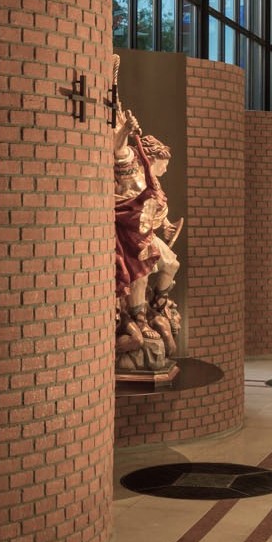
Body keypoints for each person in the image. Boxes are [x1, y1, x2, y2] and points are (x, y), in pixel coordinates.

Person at [113, 94, 183, 373]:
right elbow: (118, 148)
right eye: (165, 162)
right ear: (155, 157)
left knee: (171, 264)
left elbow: (155, 212)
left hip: (143, 232)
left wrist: (166, 226)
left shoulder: (152, 180)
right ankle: (139, 318)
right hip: (128, 233)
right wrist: (125, 130)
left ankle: (158, 303)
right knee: (140, 274)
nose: (167, 168)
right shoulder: (132, 164)